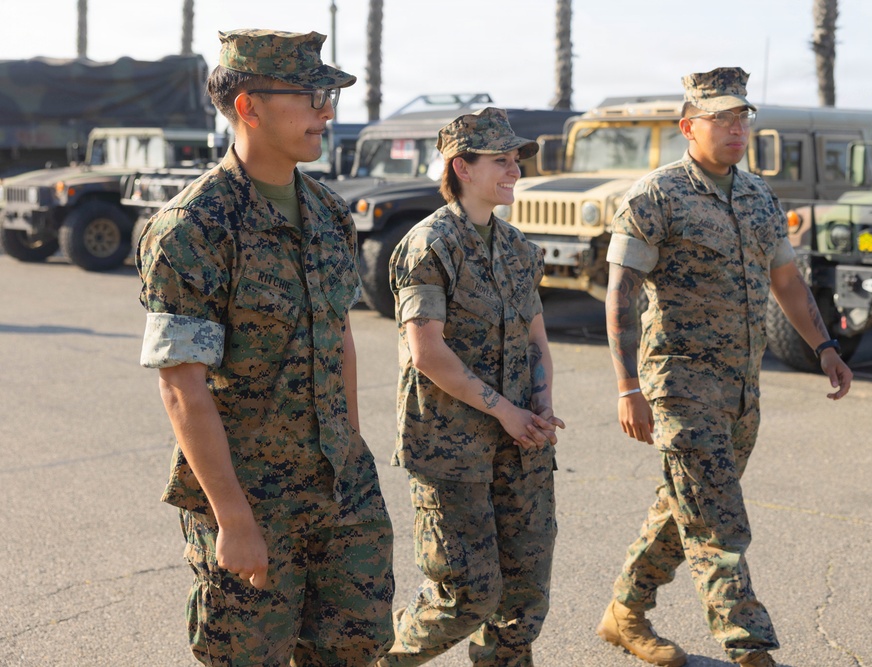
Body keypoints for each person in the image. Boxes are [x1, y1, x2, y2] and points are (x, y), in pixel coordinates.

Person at [136, 29, 394, 667]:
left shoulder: (331, 213)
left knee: (355, 647)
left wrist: (352, 446)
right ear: (248, 105)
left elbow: (339, 335)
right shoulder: (193, 228)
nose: (326, 113)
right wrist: (233, 519)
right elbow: (181, 385)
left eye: (326, 96)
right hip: (251, 494)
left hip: (340, 484)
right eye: (311, 97)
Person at [596, 68, 853, 667]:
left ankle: (624, 611)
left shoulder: (759, 195)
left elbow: (786, 280)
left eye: (743, 119)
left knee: (685, 503)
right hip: (679, 385)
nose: (738, 130)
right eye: (723, 119)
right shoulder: (654, 196)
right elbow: (620, 296)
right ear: (689, 126)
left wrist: (825, 348)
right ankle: (750, 646)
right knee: (719, 523)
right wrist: (627, 387)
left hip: (740, 387)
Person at [378, 107, 565, 667]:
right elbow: (427, 352)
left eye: (516, 161)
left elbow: (536, 340)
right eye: (501, 161)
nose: (514, 171)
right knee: (466, 596)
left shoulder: (514, 246)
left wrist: (541, 407)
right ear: (461, 166)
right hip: (450, 446)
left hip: (521, 442)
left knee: (524, 596)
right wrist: (504, 410)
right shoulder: (430, 245)